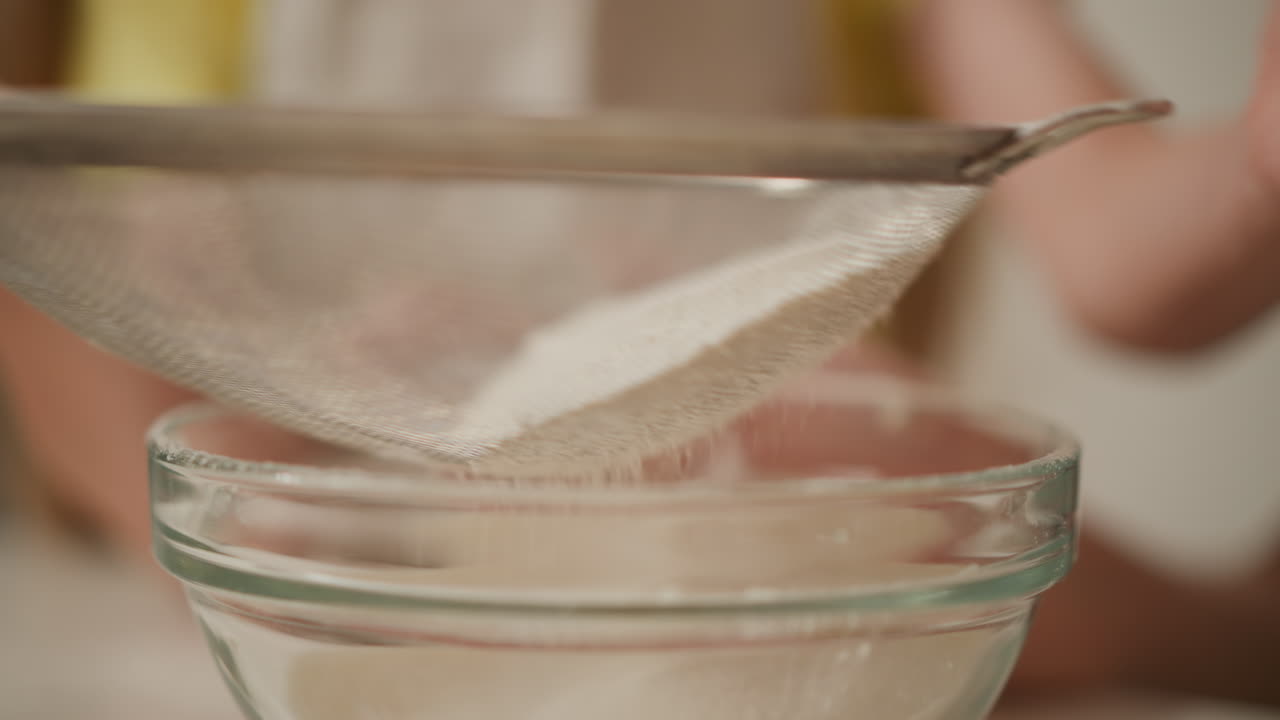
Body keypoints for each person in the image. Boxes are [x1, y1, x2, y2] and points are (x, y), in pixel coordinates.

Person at [0, 0, 1277, 707]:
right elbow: (56, 279)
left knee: (873, 487)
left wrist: (1255, 167)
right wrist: (296, 507)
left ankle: (1233, 633)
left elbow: (1120, 257)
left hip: (771, 546)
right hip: (290, 564)